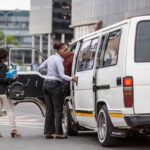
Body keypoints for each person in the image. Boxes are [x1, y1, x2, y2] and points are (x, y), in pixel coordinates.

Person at [39, 42, 77, 139]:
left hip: (45, 84)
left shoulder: (51, 57)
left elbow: (40, 68)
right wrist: (72, 78)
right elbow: (62, 75)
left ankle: (48, 133)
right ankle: (59, 133)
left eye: (67, 50)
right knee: (58, 109)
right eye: (65, 50)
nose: (67, 52)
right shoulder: (59, 60)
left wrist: (48, 74)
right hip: (55, 85)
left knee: (49, 109)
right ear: (59, 50)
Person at [0, 48, 21, 138]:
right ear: (3, 56)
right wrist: (12, 77)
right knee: (10, 109)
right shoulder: (3, 66)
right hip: (3, 91)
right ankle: (14, 129)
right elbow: (3, 79)